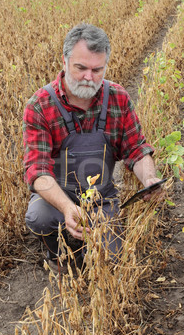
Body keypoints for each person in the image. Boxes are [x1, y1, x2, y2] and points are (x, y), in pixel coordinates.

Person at [23, 23, 163, 273]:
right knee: (38, 216)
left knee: (111, 265)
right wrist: (68, 208)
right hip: (58, 200)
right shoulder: (40, 105)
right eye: (81, 68)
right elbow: (37, 170)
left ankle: (90, 243)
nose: (89, 77)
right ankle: (58, 250)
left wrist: (149, 178)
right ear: (65, 62)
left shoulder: (117, 98)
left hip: (101, 201)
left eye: (97, 70)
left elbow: (136, 150)